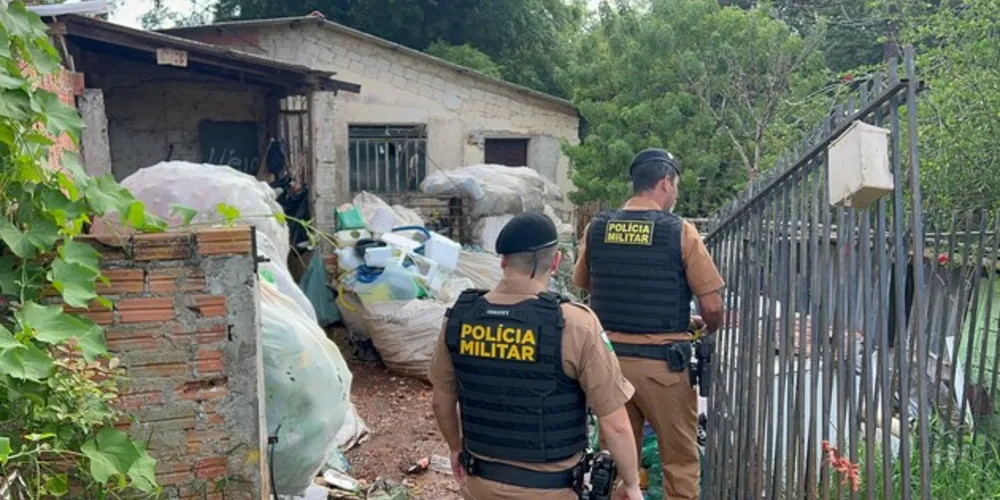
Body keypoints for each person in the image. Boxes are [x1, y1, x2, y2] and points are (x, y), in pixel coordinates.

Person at [429, 212, 644, 500]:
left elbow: (441, 401)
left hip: (480, 484)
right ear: (555, 262)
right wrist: (630, 484)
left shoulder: (460, 317)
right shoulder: (576, 323)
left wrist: (455, 449)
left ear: (503, 261)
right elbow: (615, 423)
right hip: (553, 489)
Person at [573, 148, 725, 500]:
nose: (676, 193)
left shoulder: (598, 227)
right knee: (680, 463)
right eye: (676, 186)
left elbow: (587, 283)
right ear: (664, 182)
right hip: (663, 369)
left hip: (608, 365)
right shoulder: (680, 232)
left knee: (616, 464)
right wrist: (706, 326)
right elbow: (713, 304)